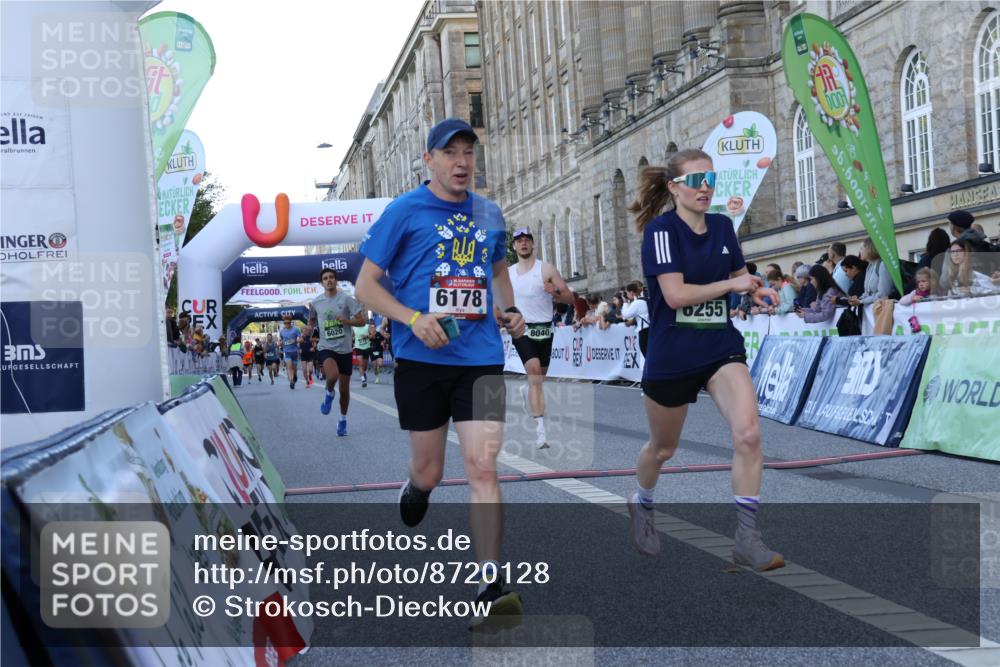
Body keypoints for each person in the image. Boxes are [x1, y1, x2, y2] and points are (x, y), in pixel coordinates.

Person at [355, 118, 526, 627]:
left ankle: (490, 584)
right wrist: (412, 317)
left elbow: (497, 270)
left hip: (483, 359)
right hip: (421, 361)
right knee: (431, 468)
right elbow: (365, 285)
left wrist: (509, 311)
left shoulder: (489, 212)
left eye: (469, 152)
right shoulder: (403, 211)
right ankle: (417, 486)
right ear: (427, 159)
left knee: (483, 468)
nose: (461, 162)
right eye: (450, 152)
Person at [625, 148, 784, 571]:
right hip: (672, 350)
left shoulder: (723, 227)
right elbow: (676, 295)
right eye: (696, 181)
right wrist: (731, 285)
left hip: (719, 346)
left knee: (748, 434)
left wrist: (753, 289)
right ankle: (642, 503)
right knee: (663, 449)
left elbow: (735, 277)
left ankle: (747, 540)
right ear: (675, 188)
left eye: (711, 180)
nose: (706, 188)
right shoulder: (661, 232)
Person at [508, 226, 575, 450]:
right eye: (519, 241)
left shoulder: (545, 268)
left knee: (539, 378)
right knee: (535, 372)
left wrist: (554, 292)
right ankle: (541, 432)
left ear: (533, 244)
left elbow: (570, 298)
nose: (523, 243)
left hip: (544, 329)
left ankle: (527, 392)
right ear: (514, 246)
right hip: (522, 329)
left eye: (527, 239)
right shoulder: (508, 274)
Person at [309, 269, 366, 435]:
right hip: (326, 347)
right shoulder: (316, 302)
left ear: (336, 280)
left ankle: (342, 420)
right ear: (322, 283)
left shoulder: (346, 299)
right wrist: (308, 328)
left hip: (345, 349)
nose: (329, 280)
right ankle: (328, 393)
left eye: (331, 277)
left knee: (345, 390)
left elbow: (362, 320)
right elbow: (312, 320)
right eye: (325, 278)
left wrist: (347, 320)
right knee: (332, 376)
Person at [848, 238, 893, 306]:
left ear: (869, 249)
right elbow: (867, 293)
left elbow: (883, 294)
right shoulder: (869, 266)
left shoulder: (883, 265)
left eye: (861, 248)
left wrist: (862, 301)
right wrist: (858, 298)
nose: (860, 252)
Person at [621, 281, 650, 357]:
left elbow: (625, 315)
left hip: (644, 332)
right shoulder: (646, 299)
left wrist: (625, 302)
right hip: (651, 329)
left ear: (631, 292)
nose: (626, 295)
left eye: (627, 293)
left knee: (647, 355)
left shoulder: (637, 303)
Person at [279, 315, 302, 389]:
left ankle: (294, 376)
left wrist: (295, 340)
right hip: (287, 352)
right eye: (285, 323)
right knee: (289, 367)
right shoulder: (282, 331)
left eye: (288, 323)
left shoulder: (296, 329)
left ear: (291, 322)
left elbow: (301, 340)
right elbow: (281, 341)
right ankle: (291, 381)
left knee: (294, 369)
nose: (286, 324)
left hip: (295, 352)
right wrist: (280, 343)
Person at [353, 320, 373, 388]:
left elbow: (372, 335)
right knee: (360, 364)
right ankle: (363, 380)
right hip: (358, 348)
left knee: (365, 366)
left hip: (367, 347)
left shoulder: (367, 326)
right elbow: (352, 337)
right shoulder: (354, 328)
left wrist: (367, 336)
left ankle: (363, 373)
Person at [299, 321, 317, 388]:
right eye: (304, 331)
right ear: (302, 331)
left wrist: (313, 347)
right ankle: (307, 382)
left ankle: (310, 376)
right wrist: (299, 349)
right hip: (303, 355)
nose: (305, 332)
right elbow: (298, 344)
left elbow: (315, 343)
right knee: (304, 370)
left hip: (310, 355)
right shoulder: (300, 338)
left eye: (306, 330)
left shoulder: (311, 337)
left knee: (310, 370)